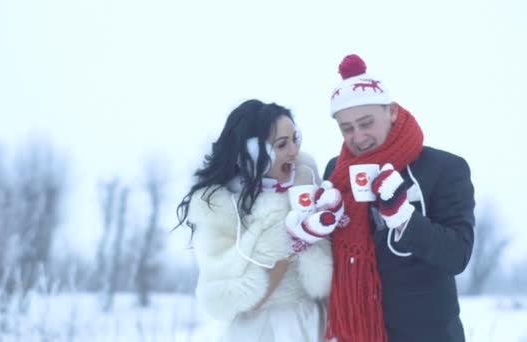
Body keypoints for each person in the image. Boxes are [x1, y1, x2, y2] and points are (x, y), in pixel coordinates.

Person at [322, 54, 475, 342]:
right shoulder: (336, 172)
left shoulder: (444, 168)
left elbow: (457, 255)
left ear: (391, 111)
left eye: (366, 123)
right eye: (347, 128)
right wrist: (312, 231)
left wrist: (405, 219)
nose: (358, 137)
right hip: (356, 332)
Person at [176, 99, 345, 341]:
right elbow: (224, 298)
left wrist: (326, 230)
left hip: (314, 324)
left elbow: (323, 282)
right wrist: (288, 237)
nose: (294, 151)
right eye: (282, 144)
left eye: (295, 140)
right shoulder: (218, 205)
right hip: (260, 330)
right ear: (254, 153)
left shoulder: (304, 181)